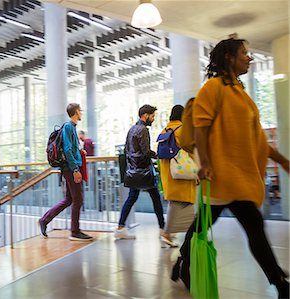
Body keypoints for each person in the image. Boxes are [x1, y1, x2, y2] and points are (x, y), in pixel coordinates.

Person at [172, 38, 290, 298]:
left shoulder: (240, 92)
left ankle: (182, 262)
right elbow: (201, 127)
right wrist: (207, 163)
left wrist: (281, 159)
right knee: (221, 227)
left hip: (238, 177)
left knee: (215, 227)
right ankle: (280, 284)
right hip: (219, 176)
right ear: (229, 58)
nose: (249, 58)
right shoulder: (213, 88)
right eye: (244, 53)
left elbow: (256, 137)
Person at [39, 103, 93, 241]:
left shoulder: (72, 127)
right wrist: (75, 169)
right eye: (80, 111)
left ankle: (44, 220)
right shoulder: (69, 127)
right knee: (78, 199)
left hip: (70, 168)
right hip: (71, 169)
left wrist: (80, 151)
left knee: (70, 199)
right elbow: (67, 150)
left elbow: (71, 148)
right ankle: (75, 231)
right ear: (76, 112)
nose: (81, 113)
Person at [114, 104, 165, 239]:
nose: (153, 119)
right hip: (143, 172)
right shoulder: (143, 130)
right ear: (146, 115)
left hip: (133, 172)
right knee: (156, 199)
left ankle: (120, 227)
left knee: (131, 198)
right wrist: (158, 155)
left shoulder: (132, 129)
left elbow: (127, 150)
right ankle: (163, 229)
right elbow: (145, 151)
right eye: (152, 116)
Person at [158, 105, 196, 247]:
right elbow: (192, 151)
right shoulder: (183, 130)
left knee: (177, 202)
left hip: (169, 174)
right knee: (179, 202)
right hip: (182, 173)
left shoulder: (165, 130)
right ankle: (167, 234)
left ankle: (174, 233)